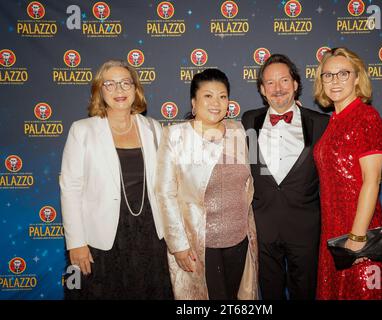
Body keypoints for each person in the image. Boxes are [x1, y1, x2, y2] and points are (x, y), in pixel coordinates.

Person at [60, 60, 173, 299]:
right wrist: (76, 243)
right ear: (99, 91)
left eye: (125, 83)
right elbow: (70, 189)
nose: (119, 90)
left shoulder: (154, 128)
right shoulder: (82, 130)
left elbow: (167, 183)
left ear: (136, 89)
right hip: (99, 237)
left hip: (149, 235)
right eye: (109, 84)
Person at [155, 68, 258, 300]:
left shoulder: (238, 131)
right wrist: (178, 245)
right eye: (208, 96)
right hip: (199, 245)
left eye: (222, 96)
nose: (216, 102)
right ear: (194, 102)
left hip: (239, 240)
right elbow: (165, 193)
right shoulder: (175, 136)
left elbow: (246, 186)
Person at [241, 54, 329, 300]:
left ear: (296, 84)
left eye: (284, 81)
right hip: (263, 225)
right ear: (261, 89)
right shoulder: (249, 120)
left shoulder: (321, 123)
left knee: (305, 291)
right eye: (270, 83)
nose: (277, 88)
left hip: (306, 227)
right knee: (269, 292)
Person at [313, 47, 382, 299]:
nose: (334, 81)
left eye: (343, 73)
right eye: (328, 75)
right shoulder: (333, 121)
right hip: (333, 233)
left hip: (359, 232)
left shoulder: (366, 117)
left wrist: (356, 236)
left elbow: (372, 181)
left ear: (357, 77)